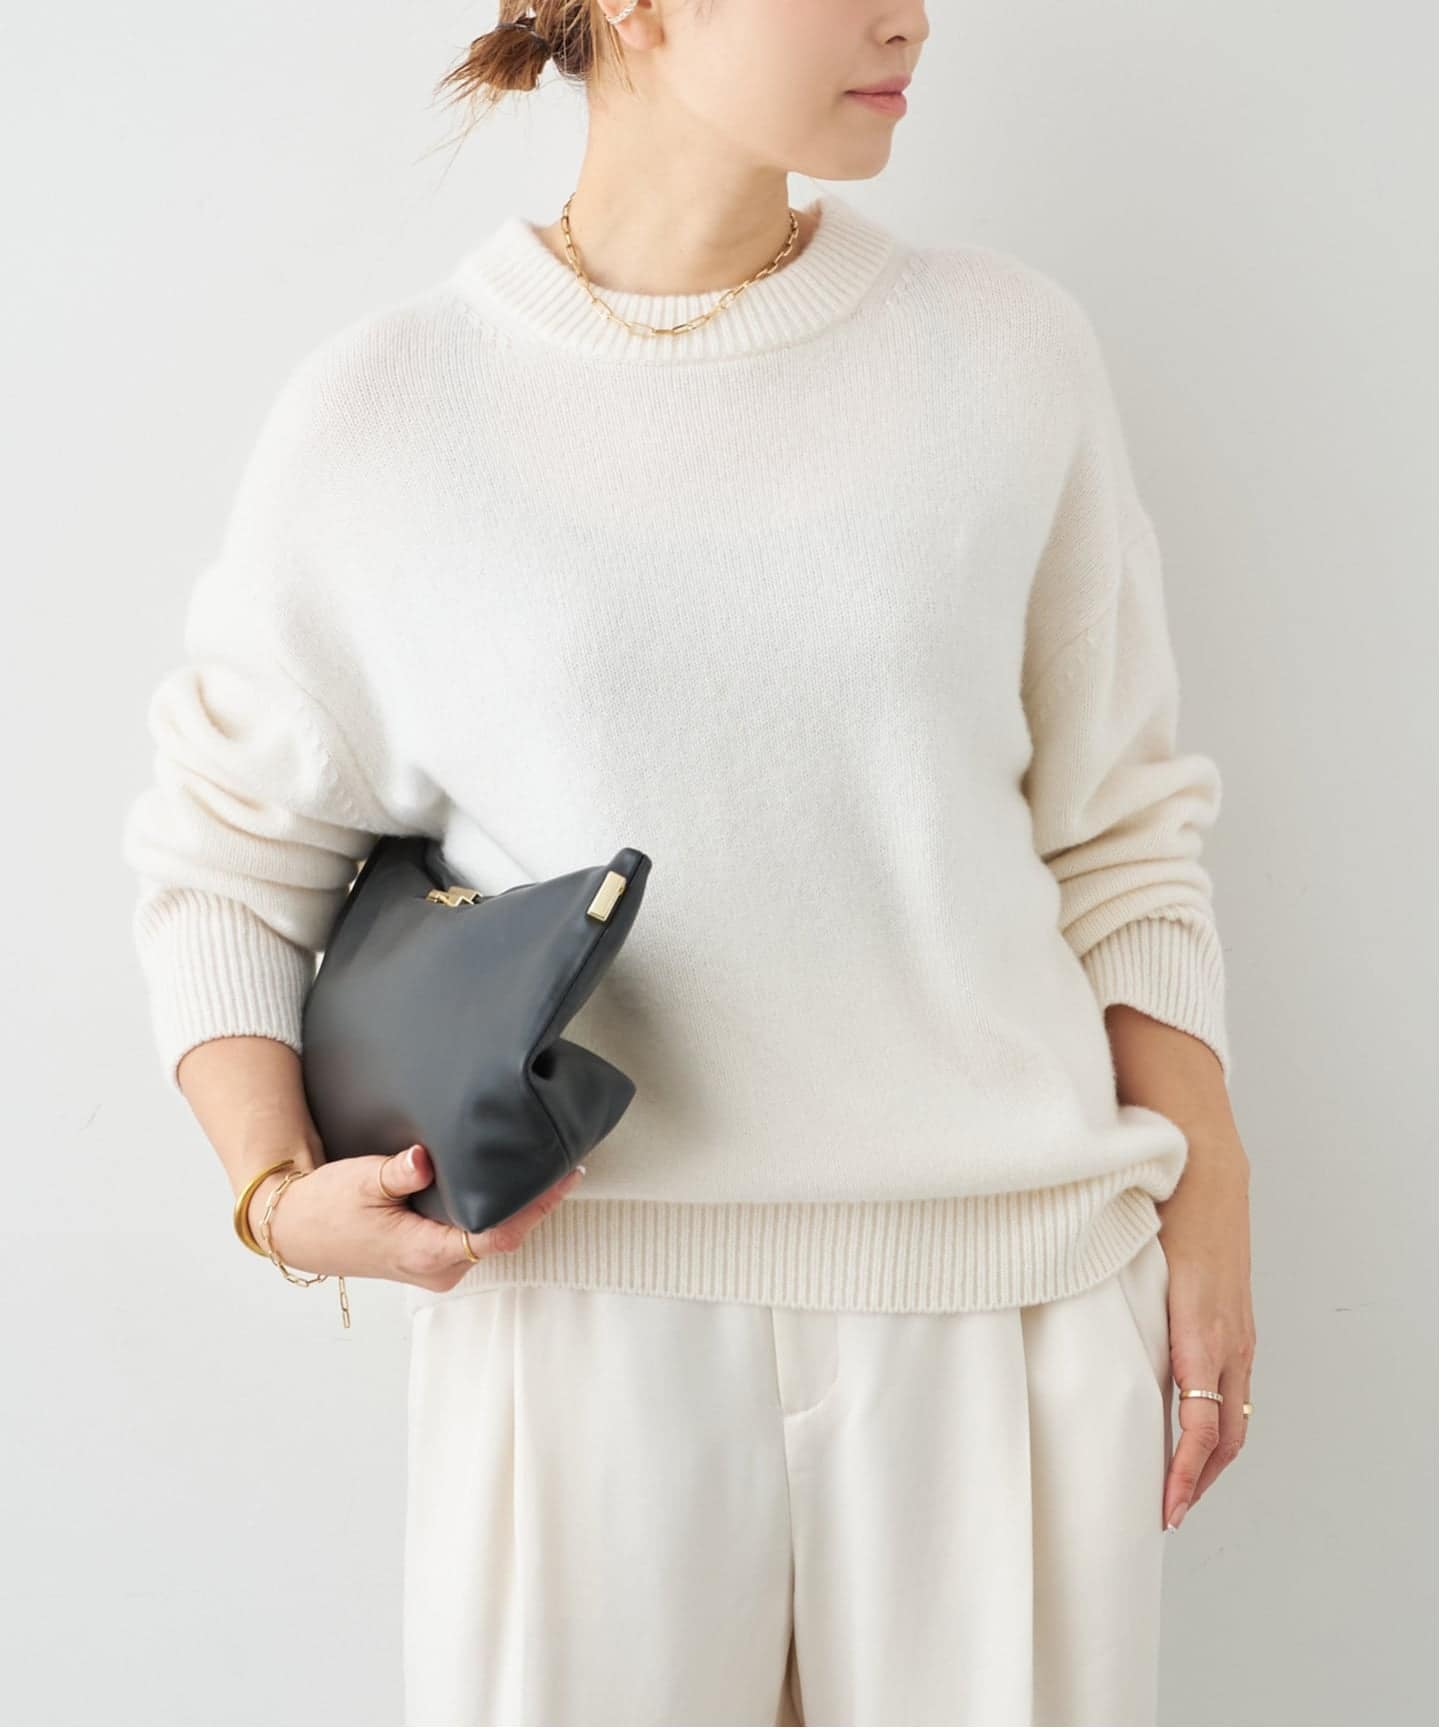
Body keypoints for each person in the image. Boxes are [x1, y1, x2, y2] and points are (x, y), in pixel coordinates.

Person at [119, 2, 1258, 1723]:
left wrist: (1213, 1183)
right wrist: (276, 1196)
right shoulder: (388, 409)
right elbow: (223, 861)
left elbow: (1119, 831)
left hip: (1002, 1307)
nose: (910, 16)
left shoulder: (1007, 355)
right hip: (575, 1324)